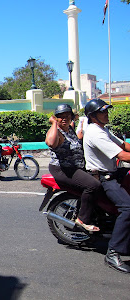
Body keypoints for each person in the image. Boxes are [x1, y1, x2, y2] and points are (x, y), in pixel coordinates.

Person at [83, 98, 130, 273]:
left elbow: (124, 145)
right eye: (103, 112)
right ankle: (113, 252)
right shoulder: (95, 133)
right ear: (93, 116)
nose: (106, 114)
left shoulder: (104, 129)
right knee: (127, 208)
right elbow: (122, 155)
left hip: (114, 172)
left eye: (106, 111)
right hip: (104, 177)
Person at [45, 104, 101, 232]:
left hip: (77, 167)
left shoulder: (69, 129)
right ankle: (82, 219)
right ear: (56, 118)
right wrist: (54, 123)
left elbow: (79, 136)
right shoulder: (57, 131)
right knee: (93, 185)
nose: (64, 119)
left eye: (67, 116)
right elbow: (51, 142)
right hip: (63, 169)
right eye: (60, 117)